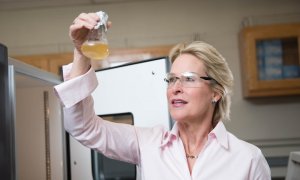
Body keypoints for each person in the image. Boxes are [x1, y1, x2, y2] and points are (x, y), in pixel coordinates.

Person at [54, 12, 271, 180]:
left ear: (216, 92)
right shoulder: (148, 144)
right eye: (172, 79)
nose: (176, 87)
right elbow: (83, 127)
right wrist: (81, 52)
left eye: (188, 78)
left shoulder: (248, 159)